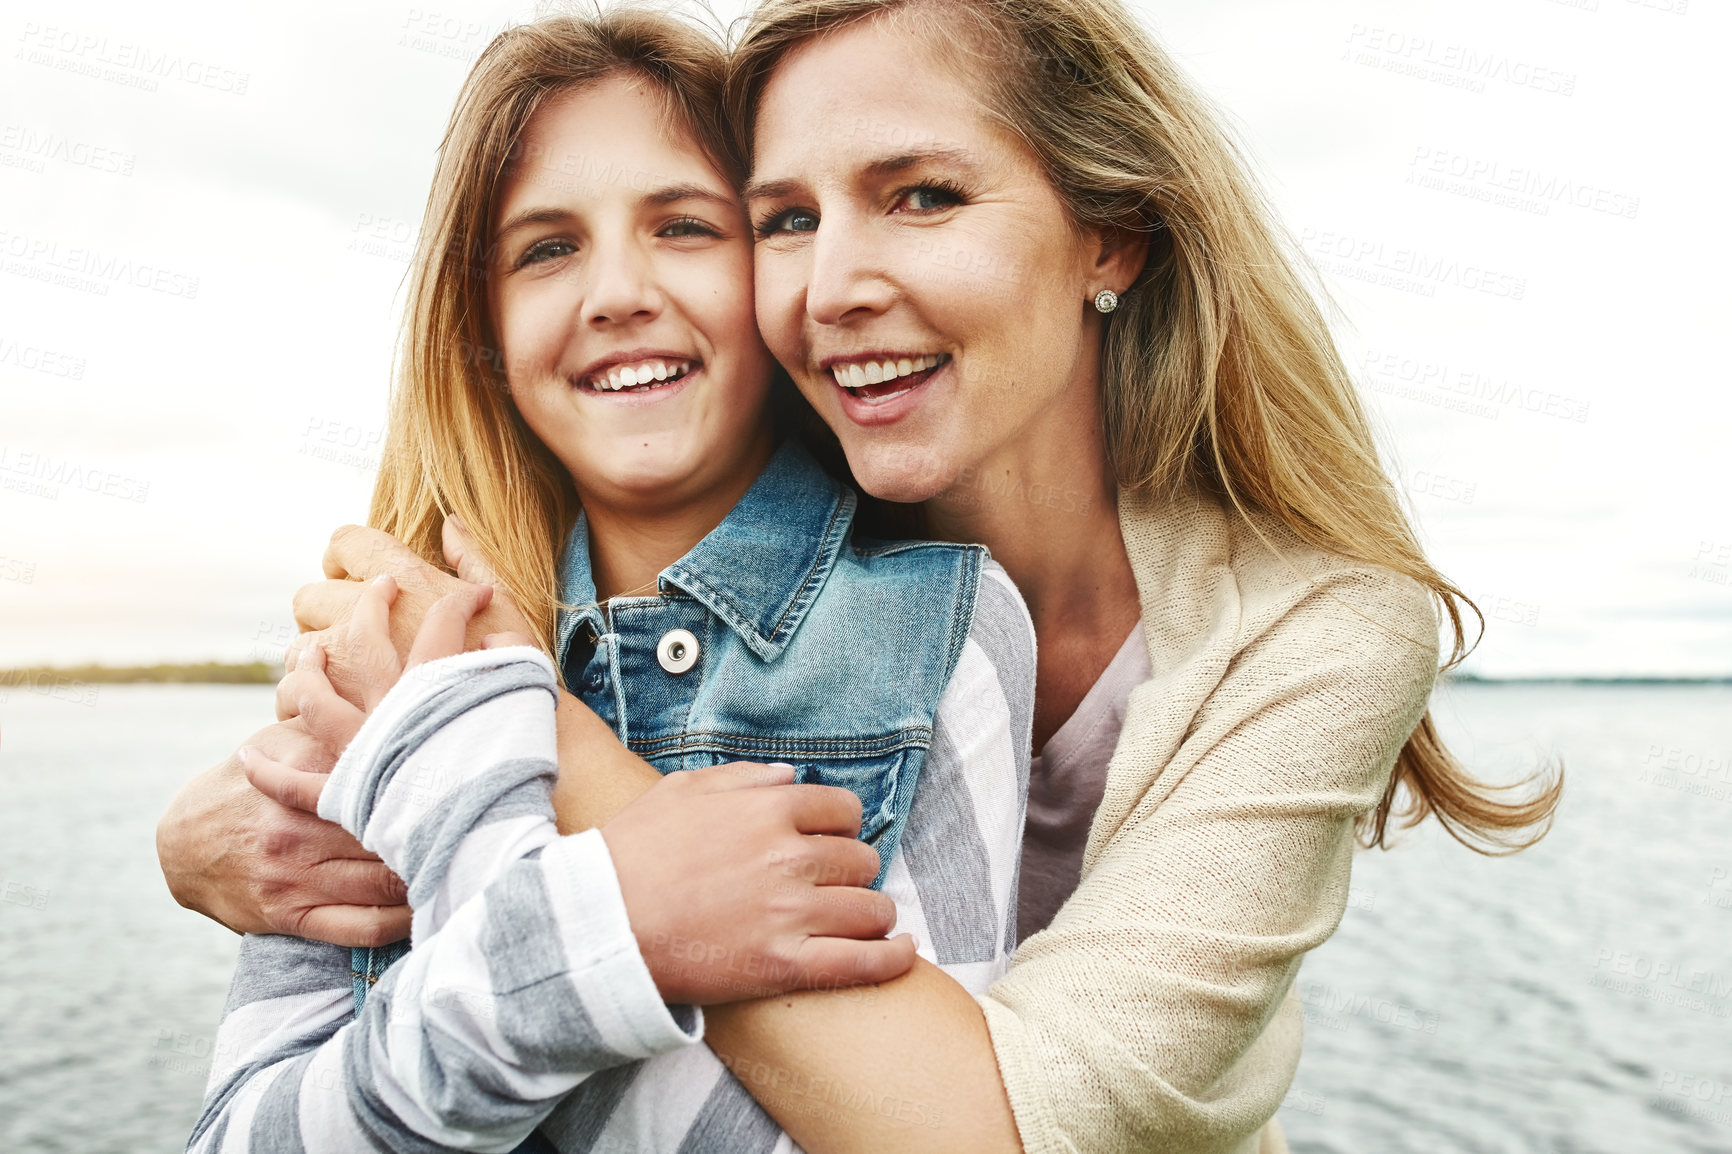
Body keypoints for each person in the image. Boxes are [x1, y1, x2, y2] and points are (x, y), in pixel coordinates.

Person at [160, 0, 1563, 1150]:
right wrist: (209, 828)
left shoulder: (1302, 627)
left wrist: (525, 750)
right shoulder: (670, 545)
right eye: (782, 218)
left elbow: (1011, 1124)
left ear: (1110, 232)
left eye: (924, 196)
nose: (830, 288)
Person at [178, 10, 1032, 1152]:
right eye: (546, 247)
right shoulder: (380, 657)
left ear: (774, 263)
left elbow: (932, 1127)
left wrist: (482, 786)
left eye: (682, 226)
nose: (617, 292)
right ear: (480, 324)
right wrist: (602, 921)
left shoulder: (936, 629)